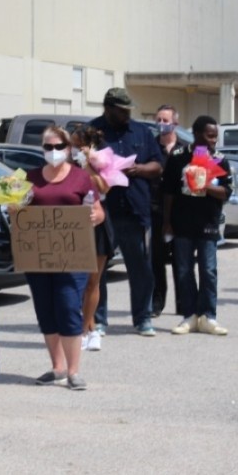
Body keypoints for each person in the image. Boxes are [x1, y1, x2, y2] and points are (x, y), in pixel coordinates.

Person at [24, 127, 105, 390]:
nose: (53, 152)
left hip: (72, 254)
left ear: (68, 148)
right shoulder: (30, 177)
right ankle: (57, 367)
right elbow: (18, 207)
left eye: (59, 146)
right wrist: (12, 207)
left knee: (69, 306)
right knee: (46, 310)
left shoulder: (81, 178)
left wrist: (95, 217)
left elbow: (98, 211)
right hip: (38, 255)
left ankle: (73, 371)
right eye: (48, 147)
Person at [89, 88, 163, 335]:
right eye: (122, 110)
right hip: (102, 210)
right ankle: (98, 319)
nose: (126, 114)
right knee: (98, 269)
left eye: (129, 110)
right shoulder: (92, 131)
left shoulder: (141, 131)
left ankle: (143, 318)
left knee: (140, 267)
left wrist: (139, 169)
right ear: (108, 108)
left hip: (134, 209)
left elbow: (157, 165)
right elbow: (79, 164)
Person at [162, 115, 230, 335]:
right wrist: (167, 222)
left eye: (215, 137)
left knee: (208, 270)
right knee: (183, 270)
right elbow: (169, 192)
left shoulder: (220, 159)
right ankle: (189, 316)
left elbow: (226, 193)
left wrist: (206, 185)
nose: (212, 141)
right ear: (197, 133)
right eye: (209, 136)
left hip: (208, 222)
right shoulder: (179, 156)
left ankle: (208, 316)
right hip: (182, 222)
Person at [69, 124, 114, 352]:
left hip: (97, 222)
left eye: (78, 145)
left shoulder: (101, 162)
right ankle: (79, 327)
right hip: (72, 223)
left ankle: (90, 328)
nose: (73, 149)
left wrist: (88, 166)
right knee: (74, 282)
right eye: (72, 145)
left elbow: (105, 188)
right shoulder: (65, 164)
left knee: (92, 281)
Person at [151, 104, 182, 318]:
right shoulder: (150, 148)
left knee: (181, 261)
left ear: (175, 123)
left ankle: (183, 304)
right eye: (159, 119)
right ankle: (156, 302)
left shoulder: (185, 149)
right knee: (156, 259)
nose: (162, 124)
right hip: (155, 209)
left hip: (180, 212)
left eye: (165, 120)